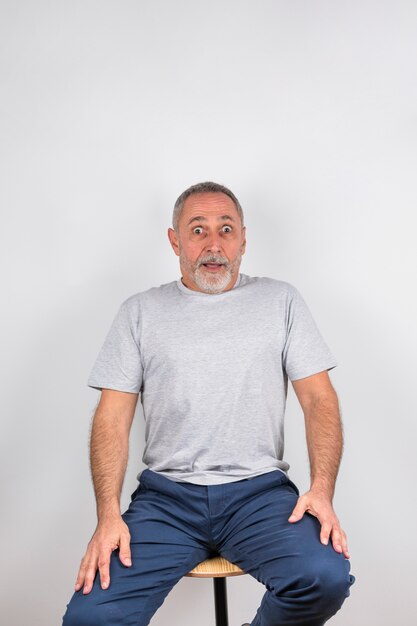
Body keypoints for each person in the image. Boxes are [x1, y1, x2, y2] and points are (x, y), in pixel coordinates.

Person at [62, 181, 355, 626]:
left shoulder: (281, 301)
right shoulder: (140, 311)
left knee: (323, 578)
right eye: (198, 230)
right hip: (167, 500)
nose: (214, 244)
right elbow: (112, 417)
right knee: (90, 619)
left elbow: (318, 400)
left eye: (226, 229)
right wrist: (107, 516)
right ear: (175, 239)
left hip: (259, 494)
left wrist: (321, 491)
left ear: (243, 240)